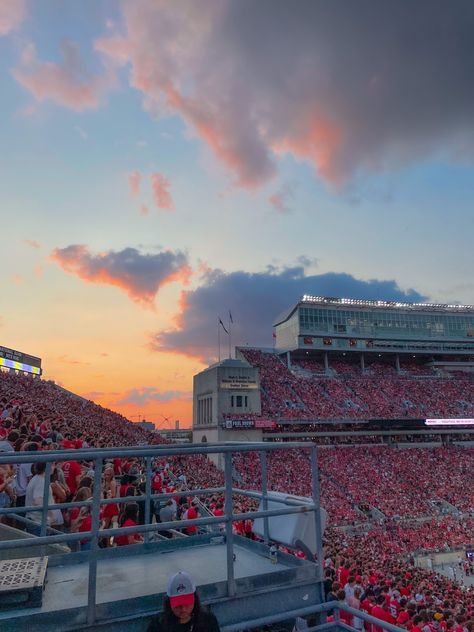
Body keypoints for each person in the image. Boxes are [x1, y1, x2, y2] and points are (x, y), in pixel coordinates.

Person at [147, 571, 220, 632]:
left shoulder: (208, 621)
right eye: (178, 604)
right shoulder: (157, 625)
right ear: (169, 603)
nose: (183, 609)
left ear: (195, 600)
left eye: (187, 603)